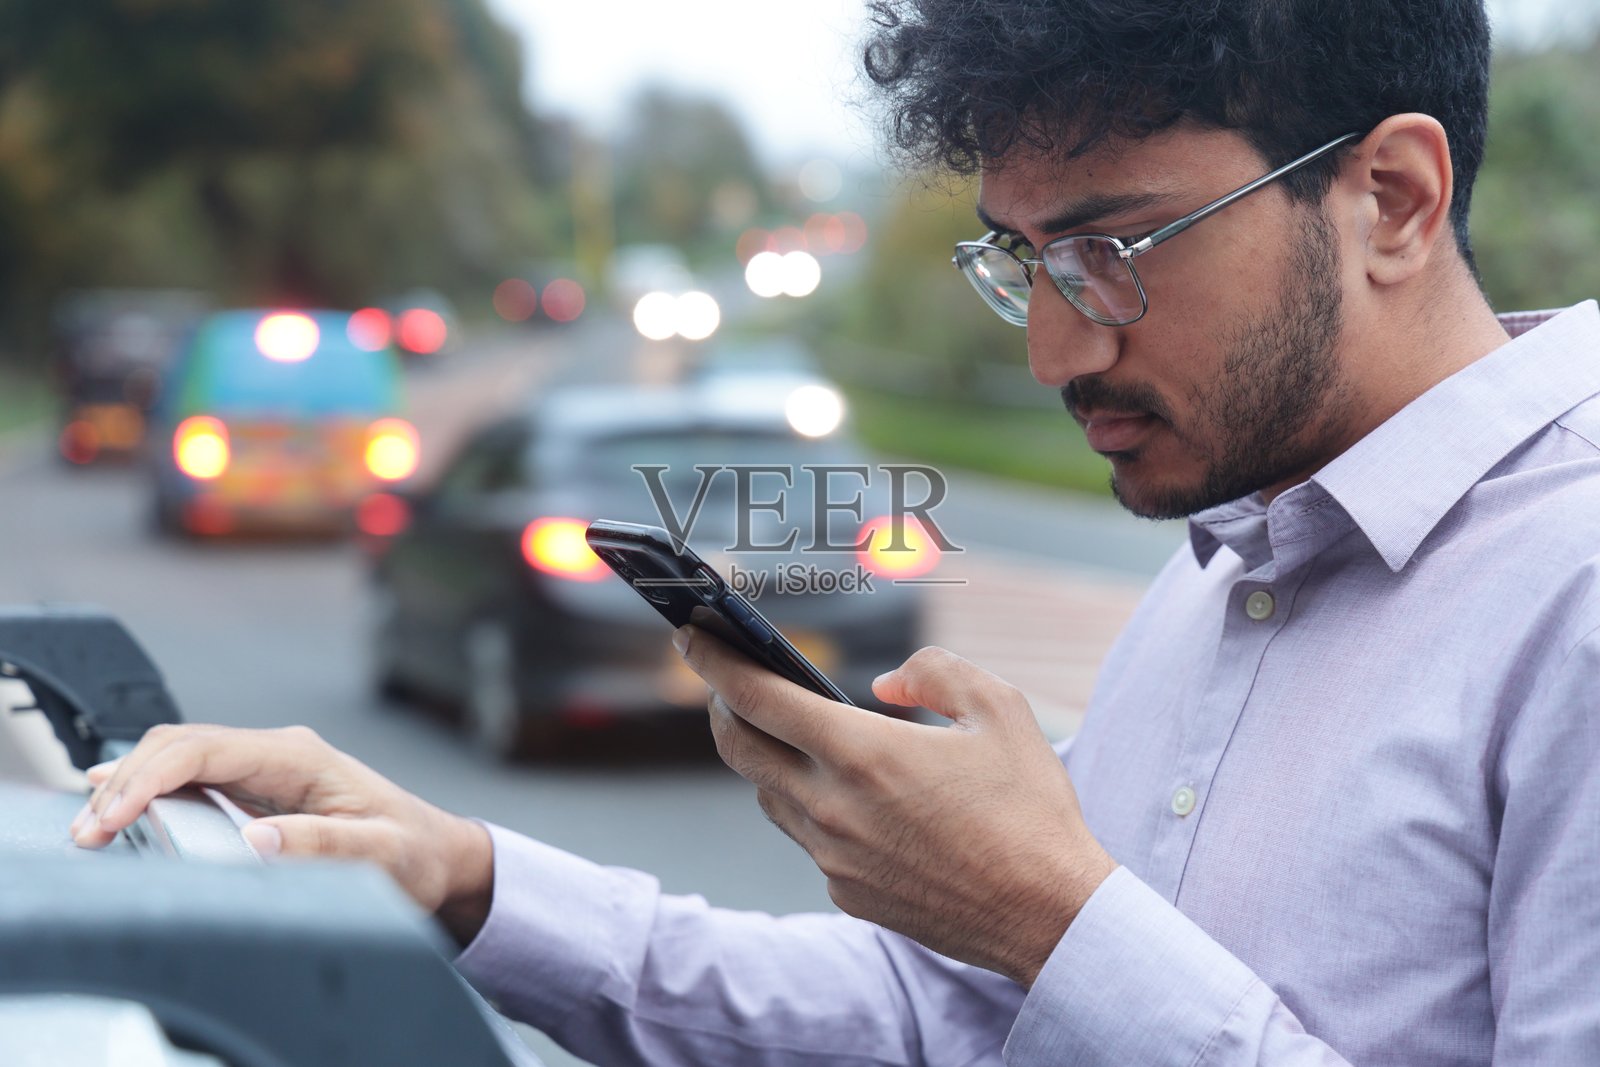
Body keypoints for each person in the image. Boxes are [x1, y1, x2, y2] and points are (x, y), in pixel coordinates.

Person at [72, 0, 1600, 1063]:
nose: (1056, 354)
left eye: (1116, 250)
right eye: (1025, 261)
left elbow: (1048, 973)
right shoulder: (1241, 563)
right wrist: (464, 875)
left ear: (1392, 198)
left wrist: (1051, 921)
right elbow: (959, 1025)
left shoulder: (1570, 595)